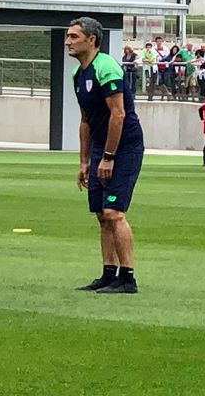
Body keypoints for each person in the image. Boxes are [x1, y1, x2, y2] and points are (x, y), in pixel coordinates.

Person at [66, 17, 145, 294]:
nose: (68, 41)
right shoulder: (78, 75)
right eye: (68, 36)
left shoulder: (106, 67)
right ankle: (108, 274)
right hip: (102, 147)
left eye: (74, 36)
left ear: (92, 40)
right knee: (101, 214)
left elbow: (118, 114)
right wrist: (84, 161)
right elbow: (85, 120)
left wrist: (109, 156)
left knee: (113, 212)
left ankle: (128, 278)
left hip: (124, 147)